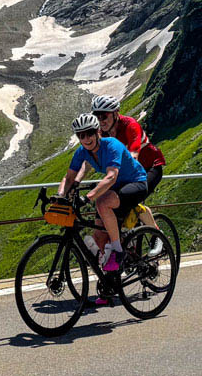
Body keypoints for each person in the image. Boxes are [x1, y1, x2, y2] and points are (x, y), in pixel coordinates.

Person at [58, 110, 148, 274]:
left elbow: (111, 177)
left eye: (90, 133)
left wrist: (88, 197)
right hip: (117, 188)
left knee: (102, 202)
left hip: (136, 182)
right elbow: (69, 178)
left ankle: (118, 251)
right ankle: (110, 282)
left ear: (97, 132)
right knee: (99, 236)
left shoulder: (111, 145)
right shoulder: (82, 152)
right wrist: (59, 196)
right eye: (81, 136)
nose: (86, 139)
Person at [92, 95, 166, 232]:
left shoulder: (130, 126)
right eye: (97, 117)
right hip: (129, 172)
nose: (100, 121)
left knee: (129, 200)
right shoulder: (103, 133)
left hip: (151, 168)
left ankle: (156, 234)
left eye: (104, 116)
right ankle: (126, 244)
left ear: (115, 113)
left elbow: (134, 155)